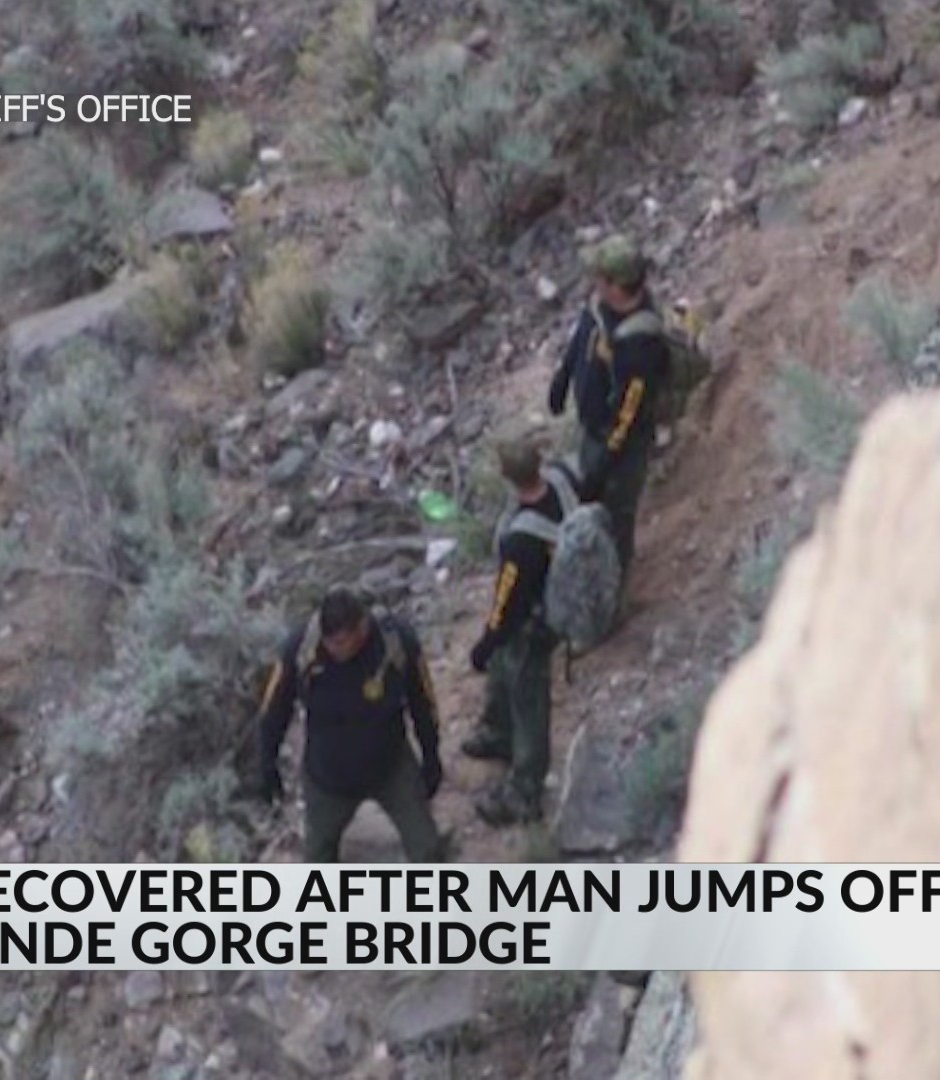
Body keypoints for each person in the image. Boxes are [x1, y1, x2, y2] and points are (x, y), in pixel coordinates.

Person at [252, 589, 446, 862]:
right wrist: (266, 765)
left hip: (391, 767)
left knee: (427, 850)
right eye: (328, 642)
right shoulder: (301, 650)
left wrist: (431, 754)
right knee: (318, 857)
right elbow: (273, 711)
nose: (333, 650)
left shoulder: (395, 642)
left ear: (363, 626)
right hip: (327, 778)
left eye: (341, 642)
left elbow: (423, 702)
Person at [462, 438, 575, 826]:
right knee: (502, 678)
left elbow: (505, 604)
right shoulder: (562, 482)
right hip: (553, 603)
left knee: (530, 704)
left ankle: (524, 791)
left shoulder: (520, 541)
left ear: (508, 479)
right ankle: (498, 731)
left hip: (530, 627)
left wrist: (485, 643)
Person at [547, 233, 670, 587]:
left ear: (618, 286)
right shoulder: (603, 305)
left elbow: (629, 414)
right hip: (592, 428)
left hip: (620, 446)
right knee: (586, 500)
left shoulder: (640, 344)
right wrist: (563, 377)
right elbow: (584, 333)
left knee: (617, 514)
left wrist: (607, 460)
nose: (593, 282)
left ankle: (615, 584)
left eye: (600, 277)